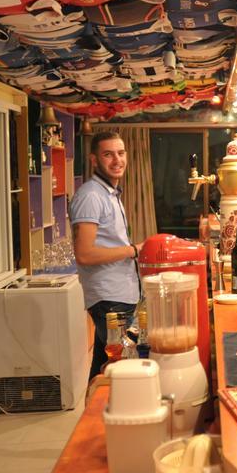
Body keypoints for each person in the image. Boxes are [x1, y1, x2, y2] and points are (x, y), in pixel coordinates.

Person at [70, 131, 142, 381]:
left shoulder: (109, 193)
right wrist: (134, 250)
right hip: (109, 300)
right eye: (108, 154)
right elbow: (85, 254)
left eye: (121, 153)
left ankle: (94, 405)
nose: (117, 160)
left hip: (119, 295)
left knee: (104, 366)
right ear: (94, 160)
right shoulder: (91, 196)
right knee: (125, 370)